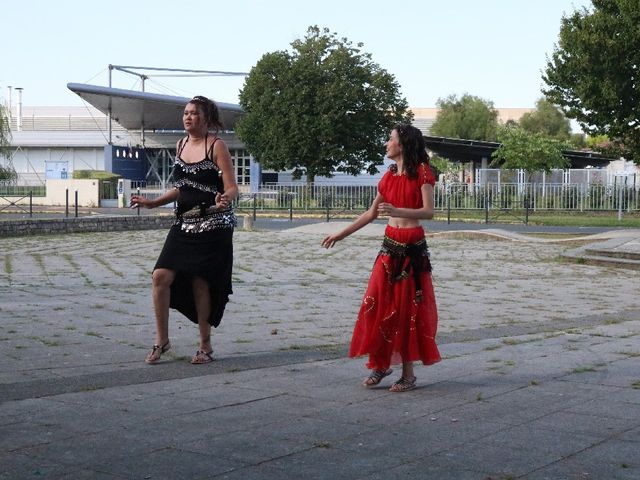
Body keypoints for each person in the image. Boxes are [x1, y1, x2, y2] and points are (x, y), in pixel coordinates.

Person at [322, 124, 441, 392]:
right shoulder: (387, 177)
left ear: (403, 144)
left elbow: (429, 212)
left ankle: (408, 375)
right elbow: (371, 214)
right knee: (376, 305)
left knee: (407, 310)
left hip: (412, 251)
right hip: (389, 248)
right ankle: (381, 364)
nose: (387, 143)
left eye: (391, 139)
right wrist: (341, 234)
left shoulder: (422, 172)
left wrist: (399, 209)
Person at [130, 95, 238, 365]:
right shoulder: (180, 145)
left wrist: (225, 197)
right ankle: (162, 340)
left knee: (200, 282)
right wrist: (154, 203)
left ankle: (205, 346)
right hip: (184, 223)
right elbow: (182, 188)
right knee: (160, 276)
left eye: (195, 114)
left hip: (214, 225)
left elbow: (232, 186)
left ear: (207, 118)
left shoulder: (216, 145)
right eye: (186, 113)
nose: (189, 117)